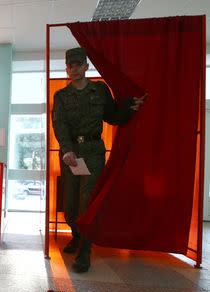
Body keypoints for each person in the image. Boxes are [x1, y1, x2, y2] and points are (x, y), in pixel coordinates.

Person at [52, 47, 146, 273]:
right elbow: (60, 124)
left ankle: (85, 250)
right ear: (67, 68)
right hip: (71, 153)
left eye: (78, 64)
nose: (74, 69)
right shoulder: (62, 96)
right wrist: (66, 149)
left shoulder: (100, 90)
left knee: (88, 201)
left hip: (93, 152)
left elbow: (113, 116)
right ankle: (75, 235)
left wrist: (130, 109)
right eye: (70, 65)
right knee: (71, 204)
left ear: (86, 66)